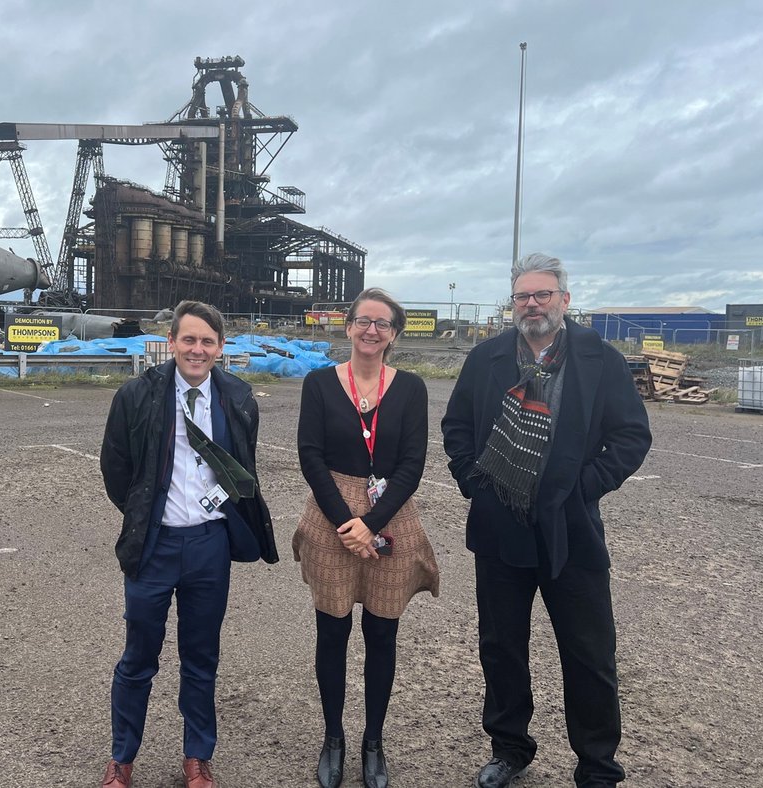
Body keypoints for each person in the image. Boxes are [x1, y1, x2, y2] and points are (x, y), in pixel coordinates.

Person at [440, 254, 652, 788]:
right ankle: (510, 747)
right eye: (522, 296)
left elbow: (630, 437)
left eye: (542, 294)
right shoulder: (487, 358)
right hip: (500, 528)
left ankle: (598, 765)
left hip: (570, 529)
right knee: (502, 646)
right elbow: (457, 426)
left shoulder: (599, 359)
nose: (531, 304)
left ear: (564, 299)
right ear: (512, 304)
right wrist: (476, 485)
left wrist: (583, 488)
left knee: (589, 652)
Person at [99, 300, 279, 788]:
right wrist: (144, 514)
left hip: (208, 547)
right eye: (189, 339)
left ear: (220, 348)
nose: (197, 349)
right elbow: (116, 469)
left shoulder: (238, 398)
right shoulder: (137, 394)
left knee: (201, 657)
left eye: (207, 341)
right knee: (138, 657)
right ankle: (122, 759)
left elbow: (242, 468)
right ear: (172, 341)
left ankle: (197, 756)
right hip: (154, 546)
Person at [294, 287, 440, 788]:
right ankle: (333, 737)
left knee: (382, 634)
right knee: (332, 632)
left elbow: (413, 463)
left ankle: (372, 741)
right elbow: (309, 456)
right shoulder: (318, 383)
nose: (371, 330)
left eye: (382, 323)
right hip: (330, 514)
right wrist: (345, 523)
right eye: (363, 321)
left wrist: (372, 523)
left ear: (394, 333)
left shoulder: (412, 388)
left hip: (389, 516)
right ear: (349, 326)